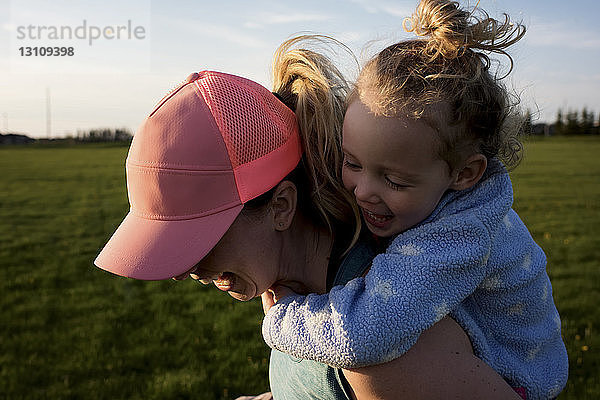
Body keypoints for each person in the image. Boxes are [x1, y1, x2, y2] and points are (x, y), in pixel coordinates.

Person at [94, 37, 524, 399]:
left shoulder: (384, 341)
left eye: (199, 239)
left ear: (281, 205)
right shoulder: (301, 305)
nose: (187, 270)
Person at [260, 1, 569, 399]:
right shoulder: (436, 194)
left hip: (511, 380)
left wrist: (283, 317)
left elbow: (368, 333)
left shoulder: (461, 235)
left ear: (464, 174)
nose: (363, 191)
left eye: (394, 179)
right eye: (351, 162)